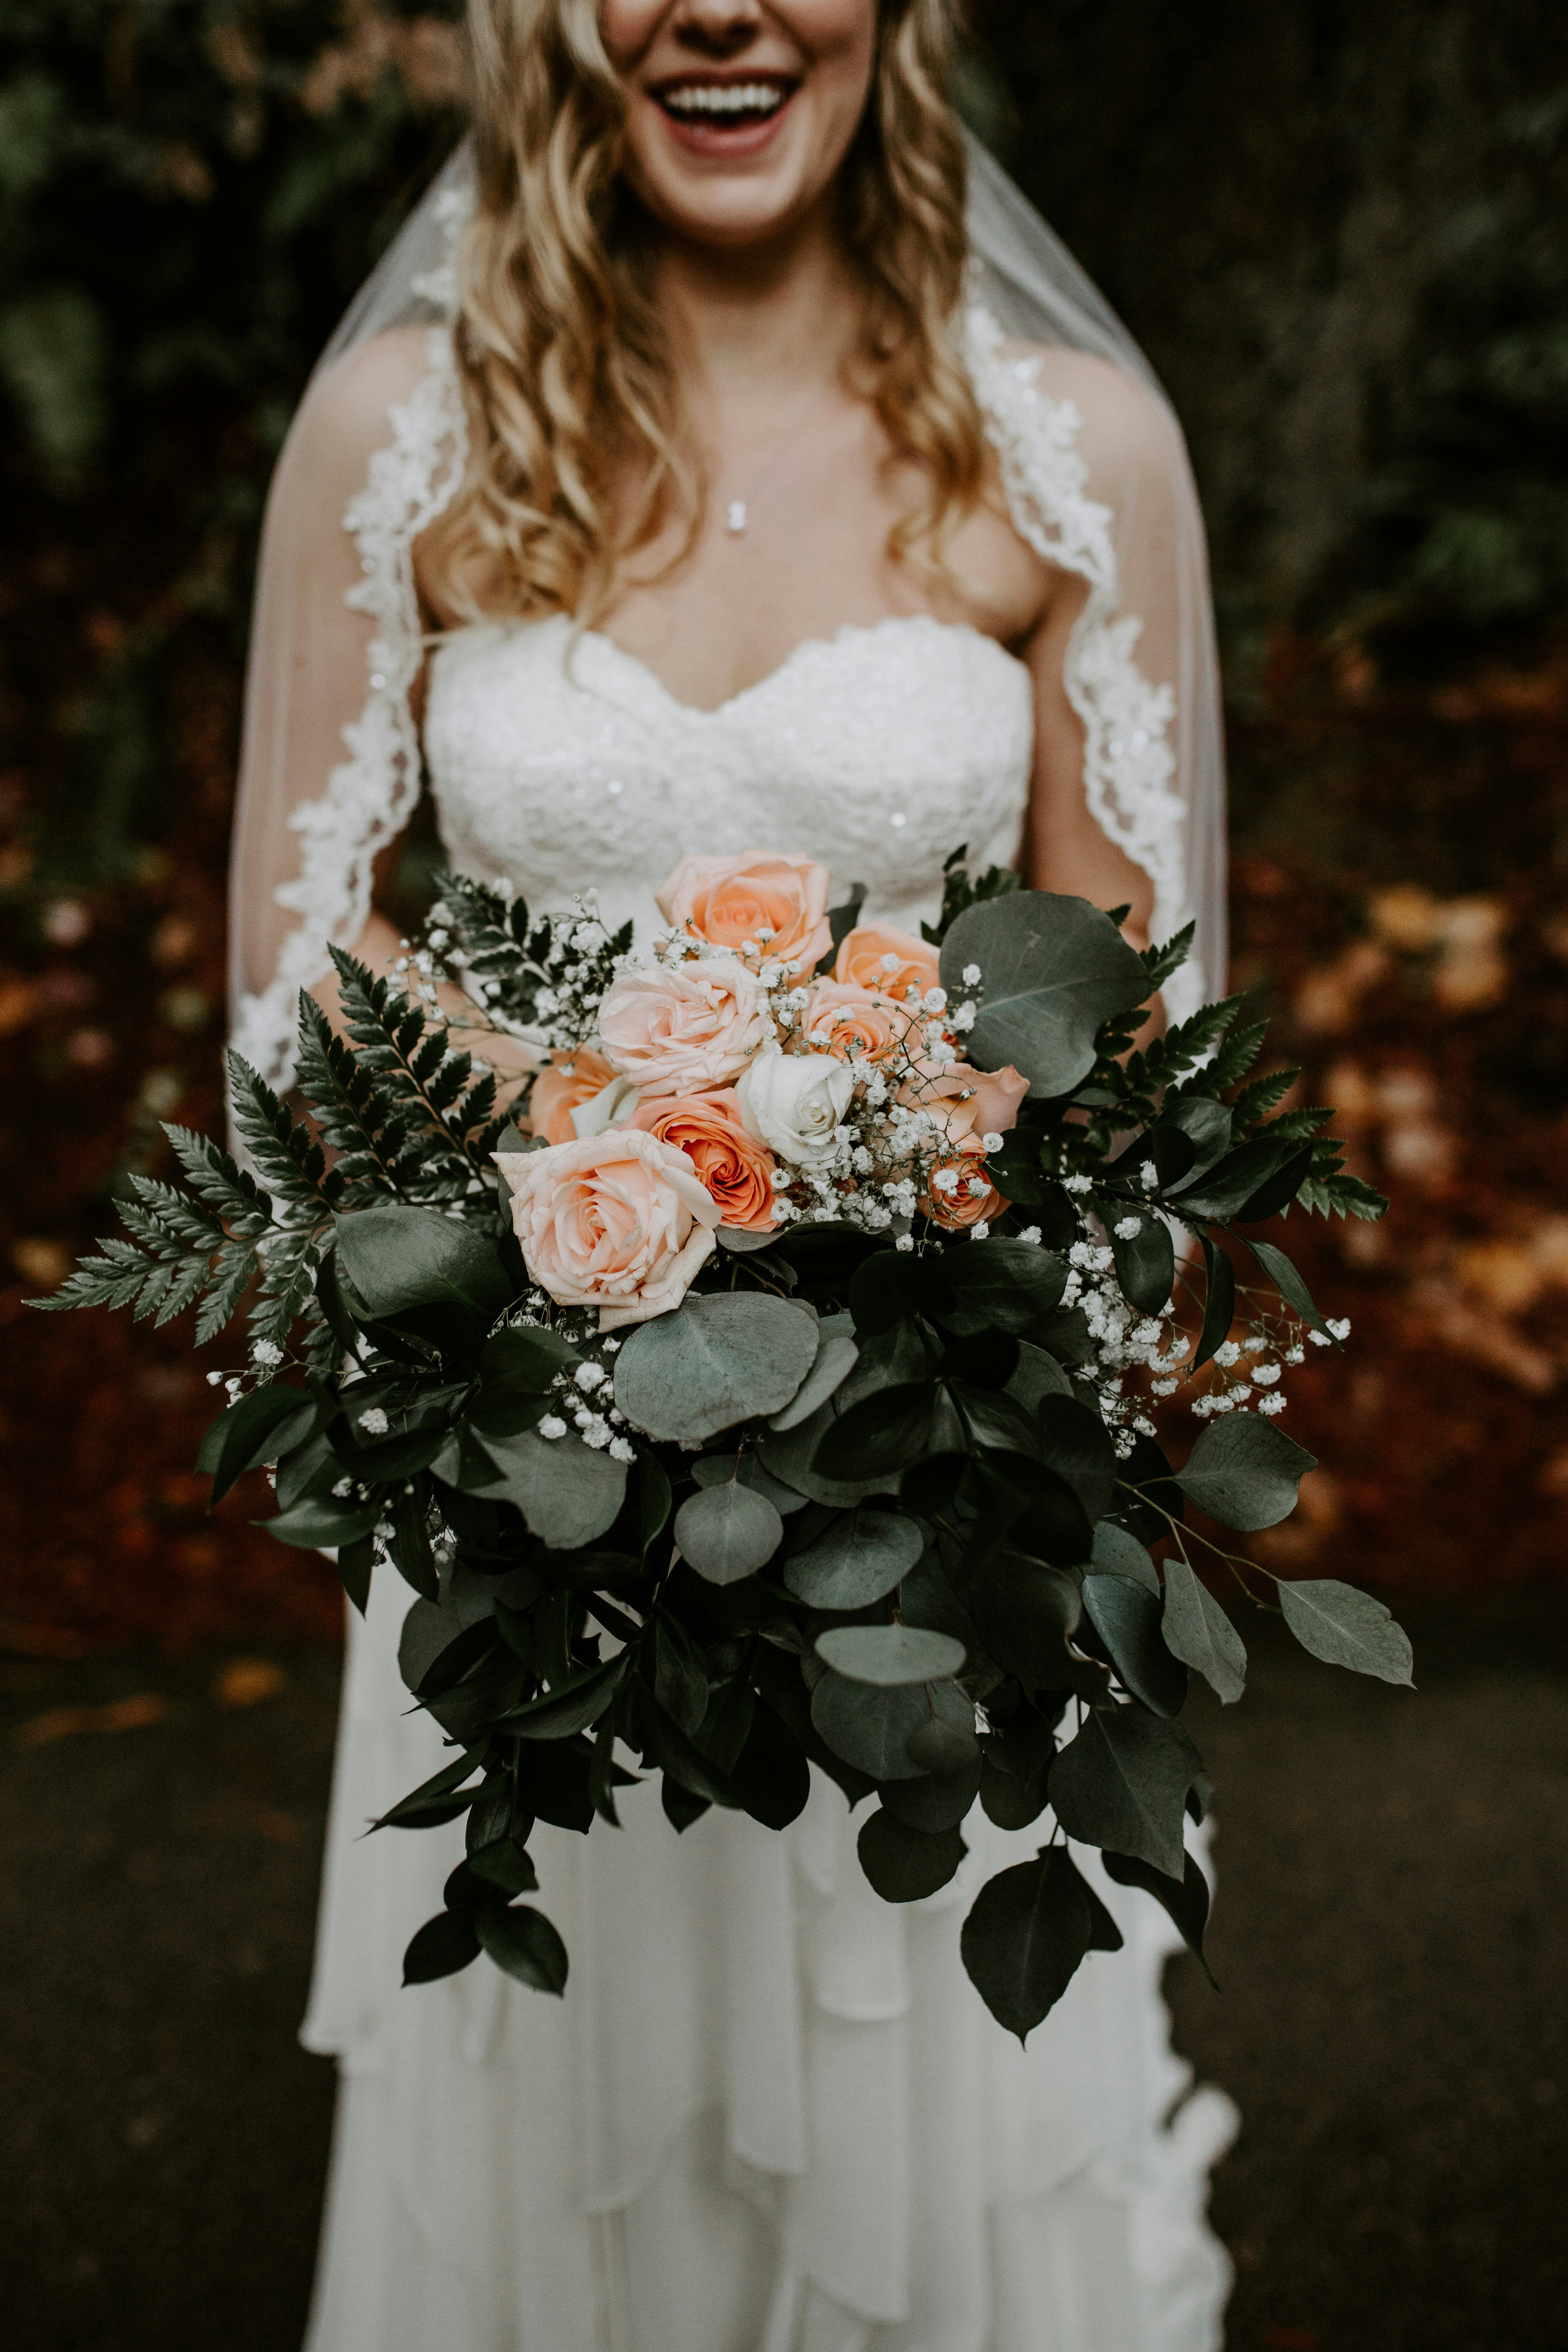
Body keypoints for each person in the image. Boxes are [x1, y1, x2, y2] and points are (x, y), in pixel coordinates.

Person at [228, 5, 1237, 2346]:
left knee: (922, 2069)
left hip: (931, 1485)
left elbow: (1127, 997)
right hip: (529, 1465)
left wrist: (895, 1169)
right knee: (567, 2108)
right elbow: (299, 942)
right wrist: (569, 1151)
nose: (714, 8)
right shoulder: (401, 436)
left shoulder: (1078, 453)